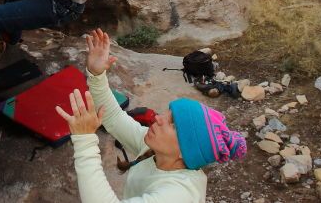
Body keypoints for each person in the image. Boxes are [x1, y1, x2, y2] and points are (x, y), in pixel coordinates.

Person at [55, 29, 247, 202]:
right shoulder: (154, 151)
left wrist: (85, 141)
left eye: (172, 124)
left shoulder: (180, 194)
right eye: (167, 115)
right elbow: (114, 118)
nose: (157, 118)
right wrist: (97, 75)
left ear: (185, 151)